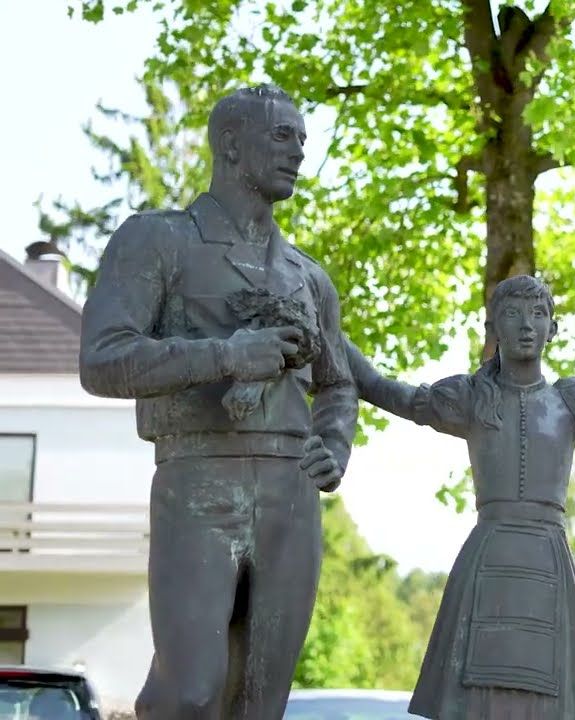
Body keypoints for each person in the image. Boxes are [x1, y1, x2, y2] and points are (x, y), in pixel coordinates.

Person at [79, 84, 357, 719]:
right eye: (282, 136)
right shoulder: (158, 239)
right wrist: (226, 356)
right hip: (198, 476)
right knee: (192, 691)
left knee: (262, 700)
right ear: (231, 144)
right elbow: (102, 359)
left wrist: (334, 443)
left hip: (291, 491)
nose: (299, 152)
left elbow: (338, 382)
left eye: (302, 139)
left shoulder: (308, 276)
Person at [348, 275, 575, 720]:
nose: (527, 325)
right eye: (513, 314)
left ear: (553, 329)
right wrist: (330, 331)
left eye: (538, 314)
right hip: (487, 560)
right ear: (492, 326)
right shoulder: (471, 399)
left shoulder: (573, 403)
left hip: (548, 564)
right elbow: (389, 391)